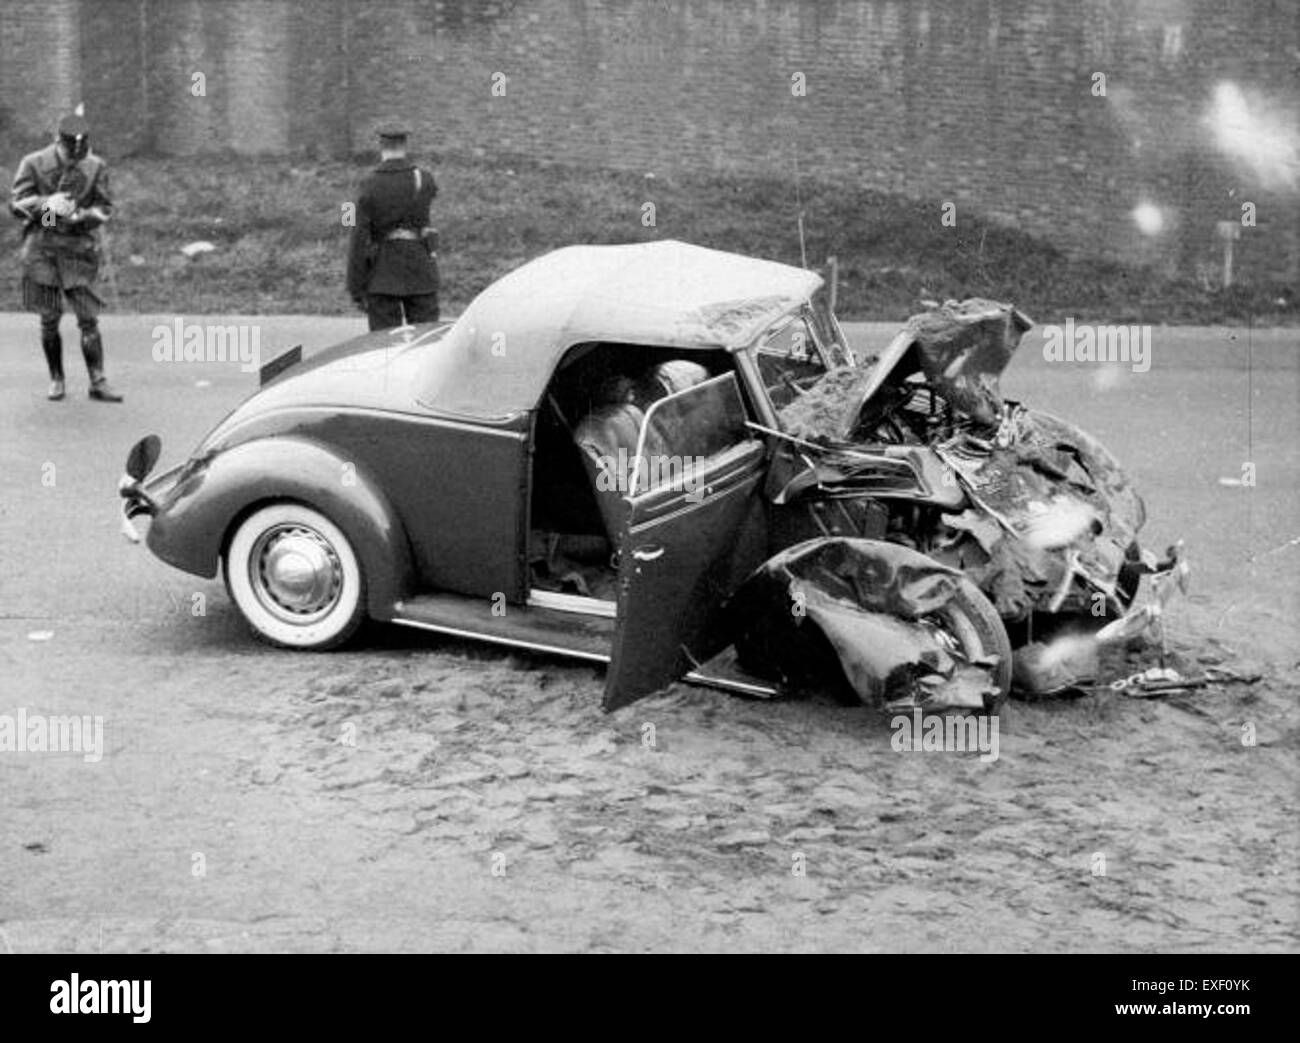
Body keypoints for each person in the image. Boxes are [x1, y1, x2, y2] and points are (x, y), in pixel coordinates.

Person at [9, 112, 122, 402]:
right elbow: (17, 204)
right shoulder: (33, 163)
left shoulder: (96, 167)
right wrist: (48, 204)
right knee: (49, 318)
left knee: (89, 318)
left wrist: (78, 216)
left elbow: (104, 208)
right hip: (42, 249)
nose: (75, 158)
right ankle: (56, 379)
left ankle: (98, 380)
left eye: (80, 153)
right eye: (70, 151)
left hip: (77, 250)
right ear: (58, 142)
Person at [345, 121, 440, 331]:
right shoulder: (424, 179)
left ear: (381, 145)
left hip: (382, 276)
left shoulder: (367, 185)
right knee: (426, 343)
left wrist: (355, 287)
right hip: (420, 271)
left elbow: (357, 237)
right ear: (405, 145)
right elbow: (427, 210)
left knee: (384, 349)